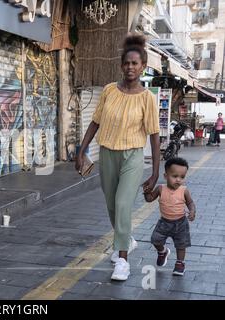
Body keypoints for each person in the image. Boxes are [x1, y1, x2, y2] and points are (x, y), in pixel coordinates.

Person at [76, 34, 160, 281]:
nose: (130, 67)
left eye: (135, 63)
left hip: (132, 156)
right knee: (112, 205)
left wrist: (155, 171)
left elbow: (154, 135)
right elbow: (95, 121)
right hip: (107, 154)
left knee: (123, 204)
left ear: (143, 66)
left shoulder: (147, 98)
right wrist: (81, 151)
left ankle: (122, 258)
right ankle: (127, 239)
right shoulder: (110, 91)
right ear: (121, 65)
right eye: (127, 63)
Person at [143, 157, 196, 276]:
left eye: (182, 177)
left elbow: (190, 202)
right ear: (166, 176)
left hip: (181, 223)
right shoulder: (161, 189)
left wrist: (192, 211)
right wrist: (146, 192)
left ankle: (180, 263)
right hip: (164, 222)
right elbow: (150, 199)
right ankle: (162, 252)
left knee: (181, 244)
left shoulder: (184, 190)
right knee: (155, 240)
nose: (178, 180)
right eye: (175, 176)